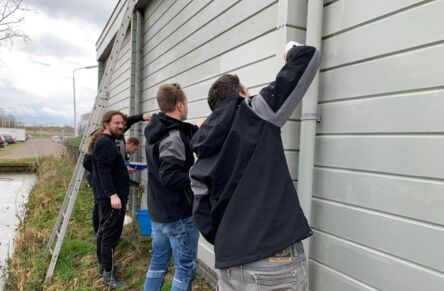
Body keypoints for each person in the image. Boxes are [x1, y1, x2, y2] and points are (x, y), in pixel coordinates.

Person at [189, 42, 320, 290]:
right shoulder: (255, 112)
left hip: (230, 265)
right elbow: (308, 55)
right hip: (273, 262)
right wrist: (290, 49)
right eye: (247, 92)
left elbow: (202, 214)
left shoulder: (201, 151)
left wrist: (231, 239)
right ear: (240, 94)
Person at [143, 83, 199, 291]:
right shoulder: (173, 137)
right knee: (185, 269)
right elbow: (170, 176)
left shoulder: (157, 129)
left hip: (159, 213)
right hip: (178, 216)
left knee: (158, 263)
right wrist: (198, 176)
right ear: (180, 106)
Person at [91, 110, 130, 288]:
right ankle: (108, 274)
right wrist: (113, 195)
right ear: (106, 124)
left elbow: (108, 168)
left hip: (108, 197)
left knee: (103, 233)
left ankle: (104, 268)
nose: (121, 126)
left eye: (122, 123)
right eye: (117, 123)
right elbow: (103, 172)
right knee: (109, 235)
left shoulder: (106, 141)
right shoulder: (105, 143)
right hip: (111, 199)